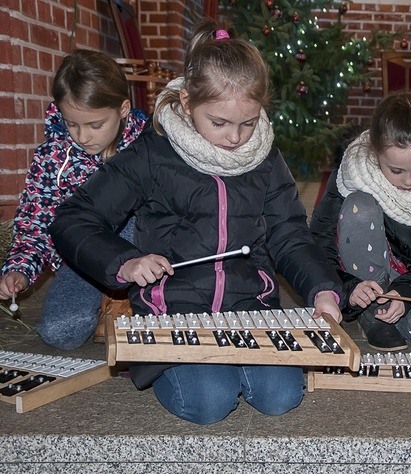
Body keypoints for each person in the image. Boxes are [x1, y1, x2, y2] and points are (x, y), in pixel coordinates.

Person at [50, 20, 344, 425]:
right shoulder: (152, 154)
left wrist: (322, 290)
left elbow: (290, 235)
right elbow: (72, 219)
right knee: (208, 402)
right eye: (219, 123)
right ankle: (198, 372)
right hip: (174, 312)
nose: (235, 137)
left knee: (281, 396)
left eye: (248, 122)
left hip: (249, 309)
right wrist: (126, 261)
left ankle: (239, 365)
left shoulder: (267, 159)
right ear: (186, 103)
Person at [0, 49, 148, 350]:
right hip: (85, 257)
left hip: (145, 253)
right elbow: (38, 222)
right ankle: (108, 298)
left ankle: (132, 301)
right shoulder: (51, 157)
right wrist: (20, 269)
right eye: (71, 124)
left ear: (123, 109)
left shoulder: (147, 146)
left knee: (131, 218)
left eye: (95, 125)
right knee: (60, 333)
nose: (82, 136)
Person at [310, 90, 411, 352]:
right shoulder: (353, 172)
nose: (408, 181)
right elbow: (319, 241)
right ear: (375, 156)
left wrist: (408, 293)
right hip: (361, 269)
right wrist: (348, 287)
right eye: (396, 170)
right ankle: (371, 311)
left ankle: (389, 307)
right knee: (359, 207)